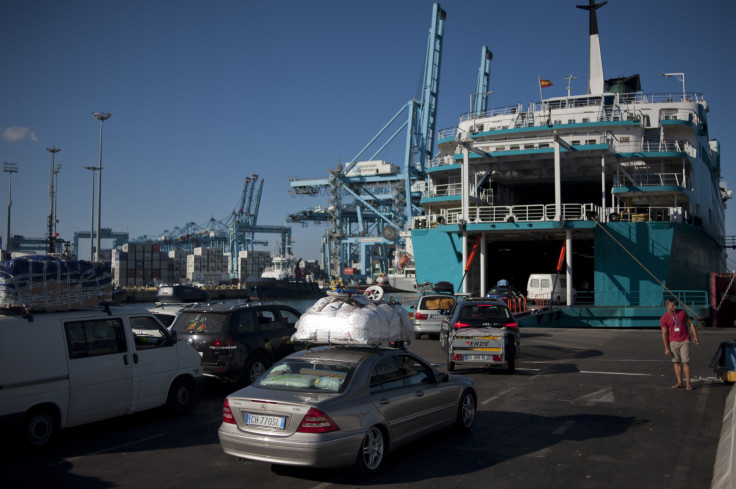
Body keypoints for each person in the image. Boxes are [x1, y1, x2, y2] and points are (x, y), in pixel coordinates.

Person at [660, 298, 699, 390]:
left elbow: (691, 324)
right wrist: (666, 348)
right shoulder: (664, 318)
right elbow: (664, 334)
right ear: (667, 306)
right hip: (673, 342)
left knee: (685, 362)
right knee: (676, 362)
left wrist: (695, 336)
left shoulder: (682, 313)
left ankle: (688, 383)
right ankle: (680, 382)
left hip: (684, 340)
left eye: (675, 305)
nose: (675, 306)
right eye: (673, 305)